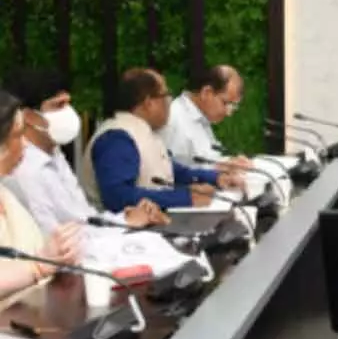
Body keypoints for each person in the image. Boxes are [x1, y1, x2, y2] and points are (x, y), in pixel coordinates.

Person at [3, 67, 170, 238]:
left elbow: (84, 218)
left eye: (68, 103)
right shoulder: (23, 169)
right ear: (29, 116)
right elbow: (54, 241)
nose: (68, 112)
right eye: (58, 105)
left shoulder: (54, 154)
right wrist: (125, 225)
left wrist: (125, 219)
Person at [80, 68, 244, 212]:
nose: (169, 101)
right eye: (166, 95)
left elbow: (172, 170)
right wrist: (185, 198)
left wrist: (215, 177)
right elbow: (118, 197)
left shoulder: (141, 131)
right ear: (148, 102)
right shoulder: (116, 138)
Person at [0, 90, 80, 299]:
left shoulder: (7, 196)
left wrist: (56, 255)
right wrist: (38, 266)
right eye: (18, 135)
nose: (25, 145)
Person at [158, 65, 251, 168]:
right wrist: (220, 171)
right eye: (225, 103)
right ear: (206, 93)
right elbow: (173, 173)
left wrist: (229, 162)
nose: (228, 113)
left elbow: (206, 159)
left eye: (233, 106)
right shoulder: (173, 119)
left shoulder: (200, 115)